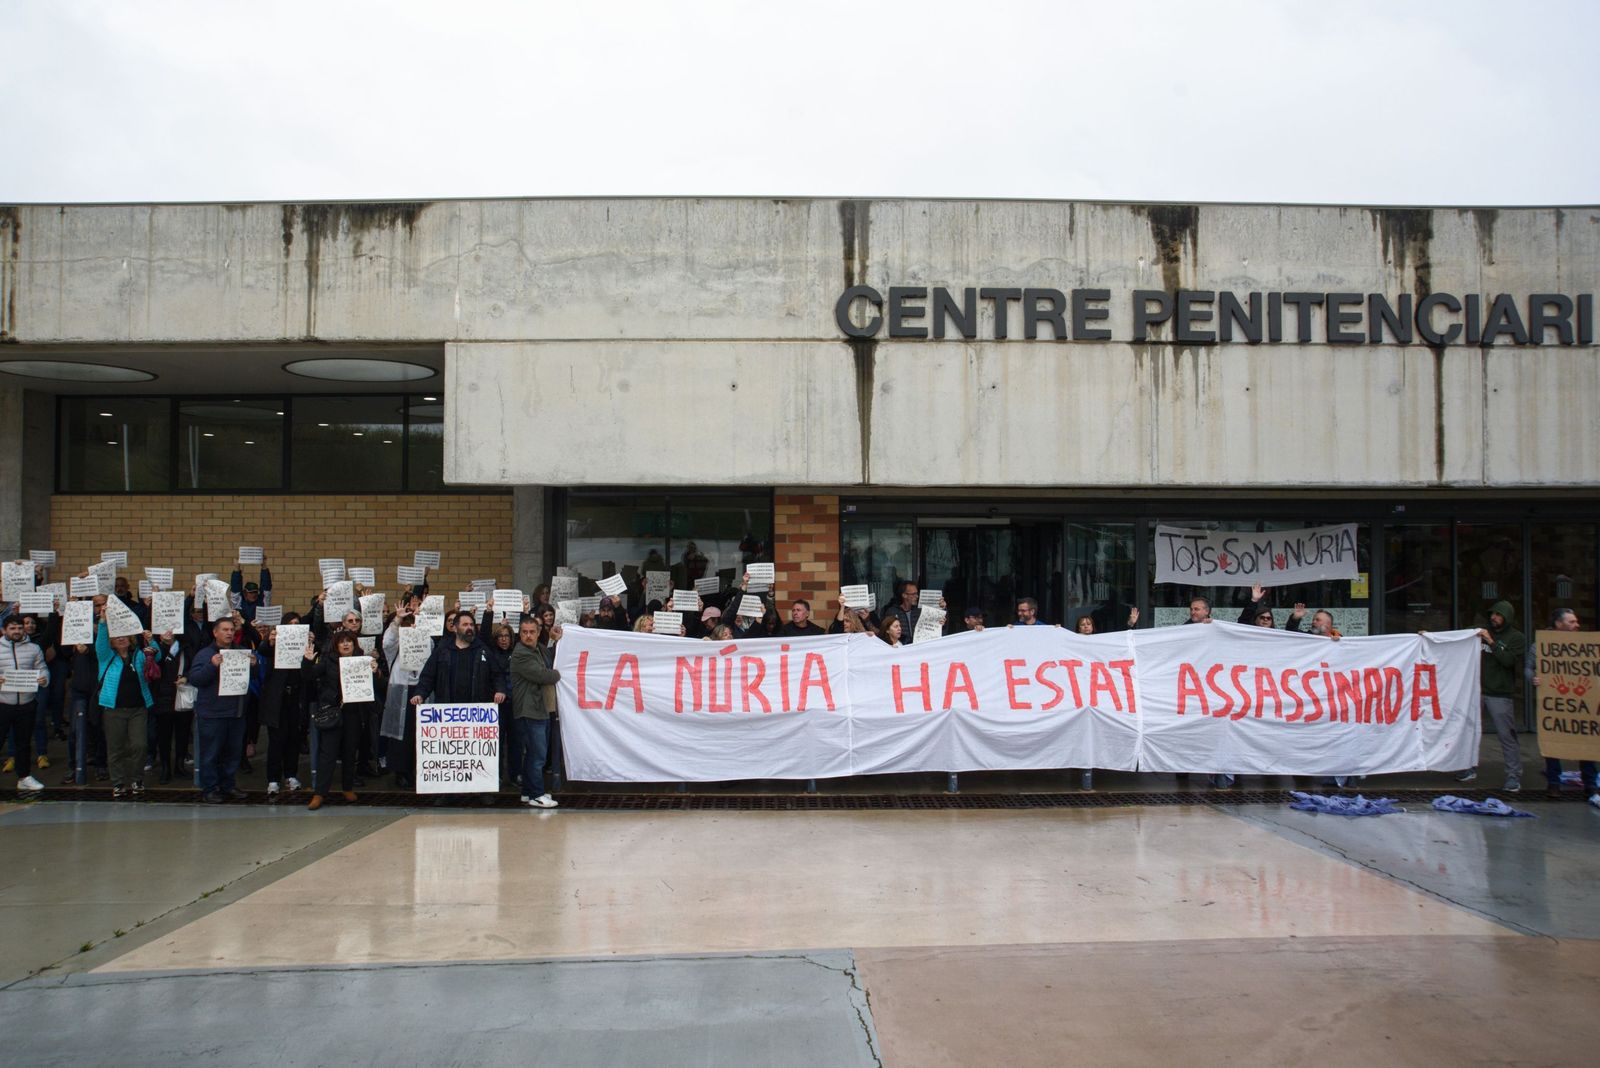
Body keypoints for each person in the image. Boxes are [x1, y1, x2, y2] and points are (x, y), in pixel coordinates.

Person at [413, 609, 509, 801]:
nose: (469, 628)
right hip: (449, 715)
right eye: (465, 625)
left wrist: (500, 690)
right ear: (455, 627)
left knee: (479, 753)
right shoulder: (442, 650)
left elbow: (497, 674)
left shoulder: (483, 650)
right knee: (449, 755)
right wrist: (420, 694)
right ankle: (445, 792)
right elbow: (428, 676)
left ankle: (483, 790)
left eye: (471, 625)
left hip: (477, 713)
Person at [1455, 599, 1526, 792]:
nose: (1494, 618)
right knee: (1470, 730)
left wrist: (1491, 642)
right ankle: (1468, 767)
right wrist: (1429, 637)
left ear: (1507, 617)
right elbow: (1457, 638)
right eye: (1492, 614)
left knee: (1506, 735)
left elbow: (1509, 661)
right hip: (1476, 691)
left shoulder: (1516, 638)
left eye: (1498, 615)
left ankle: (1513, 775)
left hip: (1500, 693)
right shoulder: (1481, 631)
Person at [186, 616, 256, 803]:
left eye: (232, 630)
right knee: (210, 754)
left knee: (232, 753)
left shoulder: (241, 652)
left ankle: (228, 785)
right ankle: (210, 788)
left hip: (236, 712)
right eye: (224, 630)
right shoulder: (205, 654)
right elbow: (195, 679)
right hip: (212, 714)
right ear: (215, 632)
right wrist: (212, 666)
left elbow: (256, 677)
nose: (229, 633)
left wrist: (254, 665)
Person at [1535, 608, 1596, 800]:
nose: (1576, 625)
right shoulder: (1541, 645)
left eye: (1576, 621)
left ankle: (1591, 784)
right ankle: (1554, 783)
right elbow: (1529, 667)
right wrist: (1534, 678)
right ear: (1558, 624)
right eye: (1571, 622)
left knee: (1586, 743)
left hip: (1583, 705)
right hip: (1555, 704)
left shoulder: (1588, 646)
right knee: (1553, 743)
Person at [306, 631, 370, 810]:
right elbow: (309, 676)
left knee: (350, 752)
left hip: (353, 713)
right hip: (333, 712)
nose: (346, 644)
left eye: (349, 641)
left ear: (354, 644)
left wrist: (375, 671)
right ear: (336, 645)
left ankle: (347, 788)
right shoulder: (328, 660)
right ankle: (319, 793)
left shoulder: (362, 660)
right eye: (342, 642)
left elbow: (376, 685)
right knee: (328, 754)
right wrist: (308, 661)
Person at [93, 617, 155, 799]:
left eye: (124, 636)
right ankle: (118, 783)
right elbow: (101, 643)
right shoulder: (106, 657)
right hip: (114, 709)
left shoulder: (139, 655)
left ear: (131, 638)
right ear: (111, 640)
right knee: (116, 747)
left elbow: (156, 655)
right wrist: (104, 623)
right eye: (117, 636)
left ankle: (137, 779)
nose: (121, 639)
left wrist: (151, 640)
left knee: (140, 745)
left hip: (138, 709)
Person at [511, 618, 562, 808]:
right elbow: (543, 675)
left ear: (538, 632)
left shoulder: (538, 649)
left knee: (533, 752)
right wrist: (558, 673)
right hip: (530, 710)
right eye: (524, 632)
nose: (528, 636)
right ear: (520, 633)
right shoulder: (521, 654)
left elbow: (548, 657)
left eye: (532, 632)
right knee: (538, 755)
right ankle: (537, 794)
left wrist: (555, 641)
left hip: (540, 708)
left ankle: (527, 792)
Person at [0, 614, 49, 793]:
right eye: (12, 628)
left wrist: (44, 679)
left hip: (27, 703)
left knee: (24, 742)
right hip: (3, 703)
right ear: (4, 630)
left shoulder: (34, 648)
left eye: (20, 628)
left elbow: (41, 667)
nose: (17, 631)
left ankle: (24, 777)